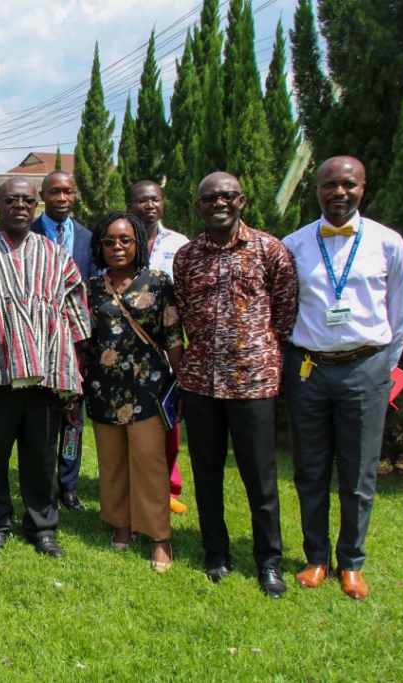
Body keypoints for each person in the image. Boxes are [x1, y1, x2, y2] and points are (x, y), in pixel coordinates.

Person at [282, 156, 403, 600]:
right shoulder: (295, 244)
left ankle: (352, 562)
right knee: (311, 469)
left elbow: (402, 309)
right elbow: (283, 311)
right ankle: (316, 557)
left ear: (363, 188)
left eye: (348, 185)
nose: (338, 192)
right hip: (310, 369)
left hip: (366, 367)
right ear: (316, 190)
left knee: (359, 473)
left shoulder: (387, 243)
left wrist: (384, 364)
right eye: (329, 185)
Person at [0, 177, 91, 559]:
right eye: (12, 200)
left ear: (37, 205)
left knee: (41, 456)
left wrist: (78, 367)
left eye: (28, 200)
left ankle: (42, 527)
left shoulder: (56, 254)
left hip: (45, 373)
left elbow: (76, 310)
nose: (20, 206)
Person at [173, 172, 298, 597]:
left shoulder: (269, 250)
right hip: (201, 382)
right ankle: (216, 553)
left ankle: (269, 563)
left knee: (260, 479)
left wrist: (254, 351)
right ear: (198, 206)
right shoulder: (187, 257)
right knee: (206, 474)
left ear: (241, 201)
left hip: (253, 382)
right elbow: (187, 312)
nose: (218, 203)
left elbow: (283, 314)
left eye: (227, 196)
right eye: (209, 198)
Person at [84, 211, 182, 571]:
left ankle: (159, 536)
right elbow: (86, 340)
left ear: (138, 243)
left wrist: (180, 383)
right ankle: (121, 524)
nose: (117, 247)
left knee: (149, 463)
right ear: (100, 246)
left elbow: (172, 335)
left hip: (149, 389)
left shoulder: (157, 282)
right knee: (112, 464)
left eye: (125, 240)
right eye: (109, 241)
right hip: (103, 388)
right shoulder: (92, 288)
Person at [30, 170, 97, 513]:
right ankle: (39, 477)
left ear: (75, 195)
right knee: (39, 413)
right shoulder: (27, 231)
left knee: (73, 416)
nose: (61, 198)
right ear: (42, 195)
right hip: (34, 337)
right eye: (54, 192)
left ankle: (68, 485)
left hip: (75, 341)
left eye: (68, 192)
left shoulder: (88, 237)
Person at [126, 180, 191, 515]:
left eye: (155, 199)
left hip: (166, 342)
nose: (149, 205)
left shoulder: (179, 244)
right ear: (130, 205)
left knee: (167, 416)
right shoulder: (121, 241)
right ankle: (130, 483)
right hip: (124, 345)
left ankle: (168, 486)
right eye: (141, 200)